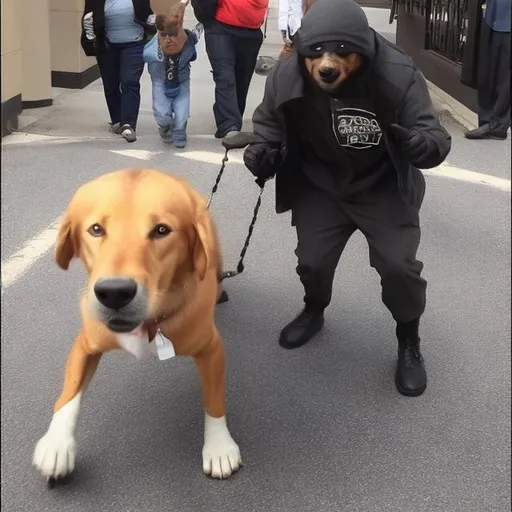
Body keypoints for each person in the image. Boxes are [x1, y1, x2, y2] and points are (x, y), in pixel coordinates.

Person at [240, 0, 451, 397]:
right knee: (312, 261)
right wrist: (263, 152)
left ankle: (409, 338)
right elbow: (268, 123)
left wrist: (422, 147)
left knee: (399, 267)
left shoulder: (397, 74)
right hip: (321, 182)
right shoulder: (287, 73)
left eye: (342, 52)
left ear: (365, 51)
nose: (327, 64)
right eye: (316, 53)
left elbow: (433, 134)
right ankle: (314, 307)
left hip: (383, 184)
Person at [81, 0, 156, 143]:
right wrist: (90, 36)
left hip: (135, 44)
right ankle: (117, 120)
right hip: (107, 46)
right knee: (111, 84)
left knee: (130, 82)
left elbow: (147, 13)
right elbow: (89, 17)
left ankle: (128, 124)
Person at [192, 0, 269, 139]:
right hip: (220, 26)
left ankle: (230, 117)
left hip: (251, 28)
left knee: (242, 79)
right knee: (225, 76)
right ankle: (229, 125)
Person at [143, 1, 203, 148]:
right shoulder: (153, 46)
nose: (168, 39)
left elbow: (195, 33)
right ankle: (165, 127)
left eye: (173, 34)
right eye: (164, 35)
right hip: (160, 81)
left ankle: (180, 130)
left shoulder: (188, 40)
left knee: (182, 112)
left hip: (182, 80)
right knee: (162, 112)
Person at [465, 0, 510, 140]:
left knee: (504, 76)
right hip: (491, 15)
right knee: (486, 73)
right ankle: (487, 121)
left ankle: (497, 125)